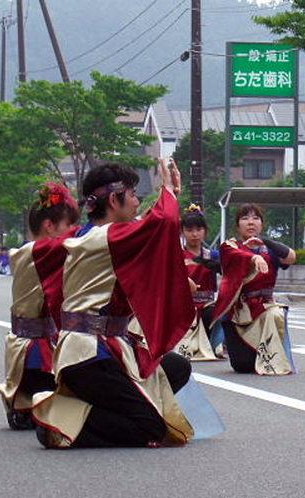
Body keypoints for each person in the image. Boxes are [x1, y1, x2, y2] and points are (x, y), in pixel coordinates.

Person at [32, 160, 218, 448]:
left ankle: (111, 404)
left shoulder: (88, 236)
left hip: (109, 348)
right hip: (89, 355)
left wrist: (171, 197)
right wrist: (167, 191)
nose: (137, 202)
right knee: (150, 428)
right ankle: (60, 421)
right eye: (132, 195)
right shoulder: (107, 237)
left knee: (177, 367)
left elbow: (146, 232)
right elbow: (159, 224)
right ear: (113, 200)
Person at [0, 183, 80, 430]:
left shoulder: (35, 253)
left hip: (38, 347)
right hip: (34, 354)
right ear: (49, 226)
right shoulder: (34, 253)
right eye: (68, 225)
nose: (72, 231)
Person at [212, 203, 296, 375]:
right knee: (243, 366)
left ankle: (271, 357)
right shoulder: (230, 247)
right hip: (238, 312)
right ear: (238, 225)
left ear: (262, 224)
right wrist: (254, 258)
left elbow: (290, 257)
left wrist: (265, 241)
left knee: (276, 313)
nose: (250, 222)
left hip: (265, 308)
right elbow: (236, 256)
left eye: (255, 218)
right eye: (245, 218)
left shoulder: (269, 249)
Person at [175, 204, 222, 361]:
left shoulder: (214, 256)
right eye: (189, 230)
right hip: (184, 306)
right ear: (182, 232)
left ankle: (215, 344)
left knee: (218, 312)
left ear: (205, 231)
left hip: (207, 306)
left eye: (199, 229)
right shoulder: (176, 255)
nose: (194, 234)